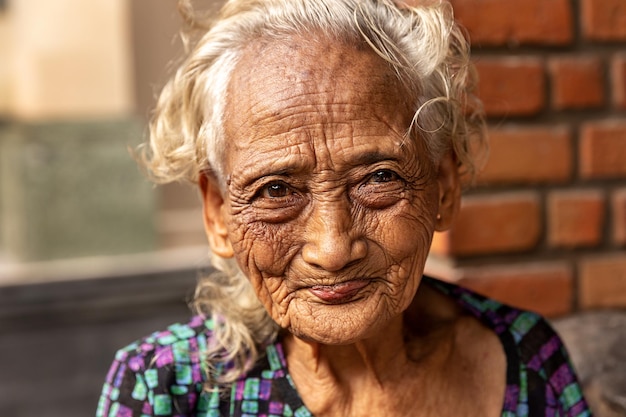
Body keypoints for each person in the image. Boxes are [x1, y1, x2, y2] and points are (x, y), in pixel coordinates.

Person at [97, 0, 592, 416]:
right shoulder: (165, 389)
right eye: (275, 191)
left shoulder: (527, 359)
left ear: (443, 187)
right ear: (217, 213)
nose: (333, 250)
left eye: (379, 179)